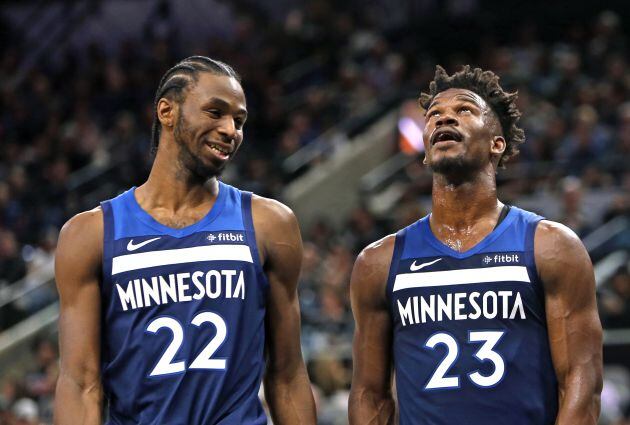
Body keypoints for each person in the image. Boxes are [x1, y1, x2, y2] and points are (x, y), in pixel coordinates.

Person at [54, 56, 316, 424]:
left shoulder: (270, 223)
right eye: (215, 112)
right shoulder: (90, 234)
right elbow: (81, 384)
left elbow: (287, 375)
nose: (230, 130)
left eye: (239, 121)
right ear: (167, 111)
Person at [348, 65, 603, 424]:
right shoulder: (378, 262)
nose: (444, 119)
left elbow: (582, 382)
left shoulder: (551, 246)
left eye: (463, 110)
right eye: (434, 115)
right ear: (425, 150)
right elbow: (369, 395)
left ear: (497, 144)